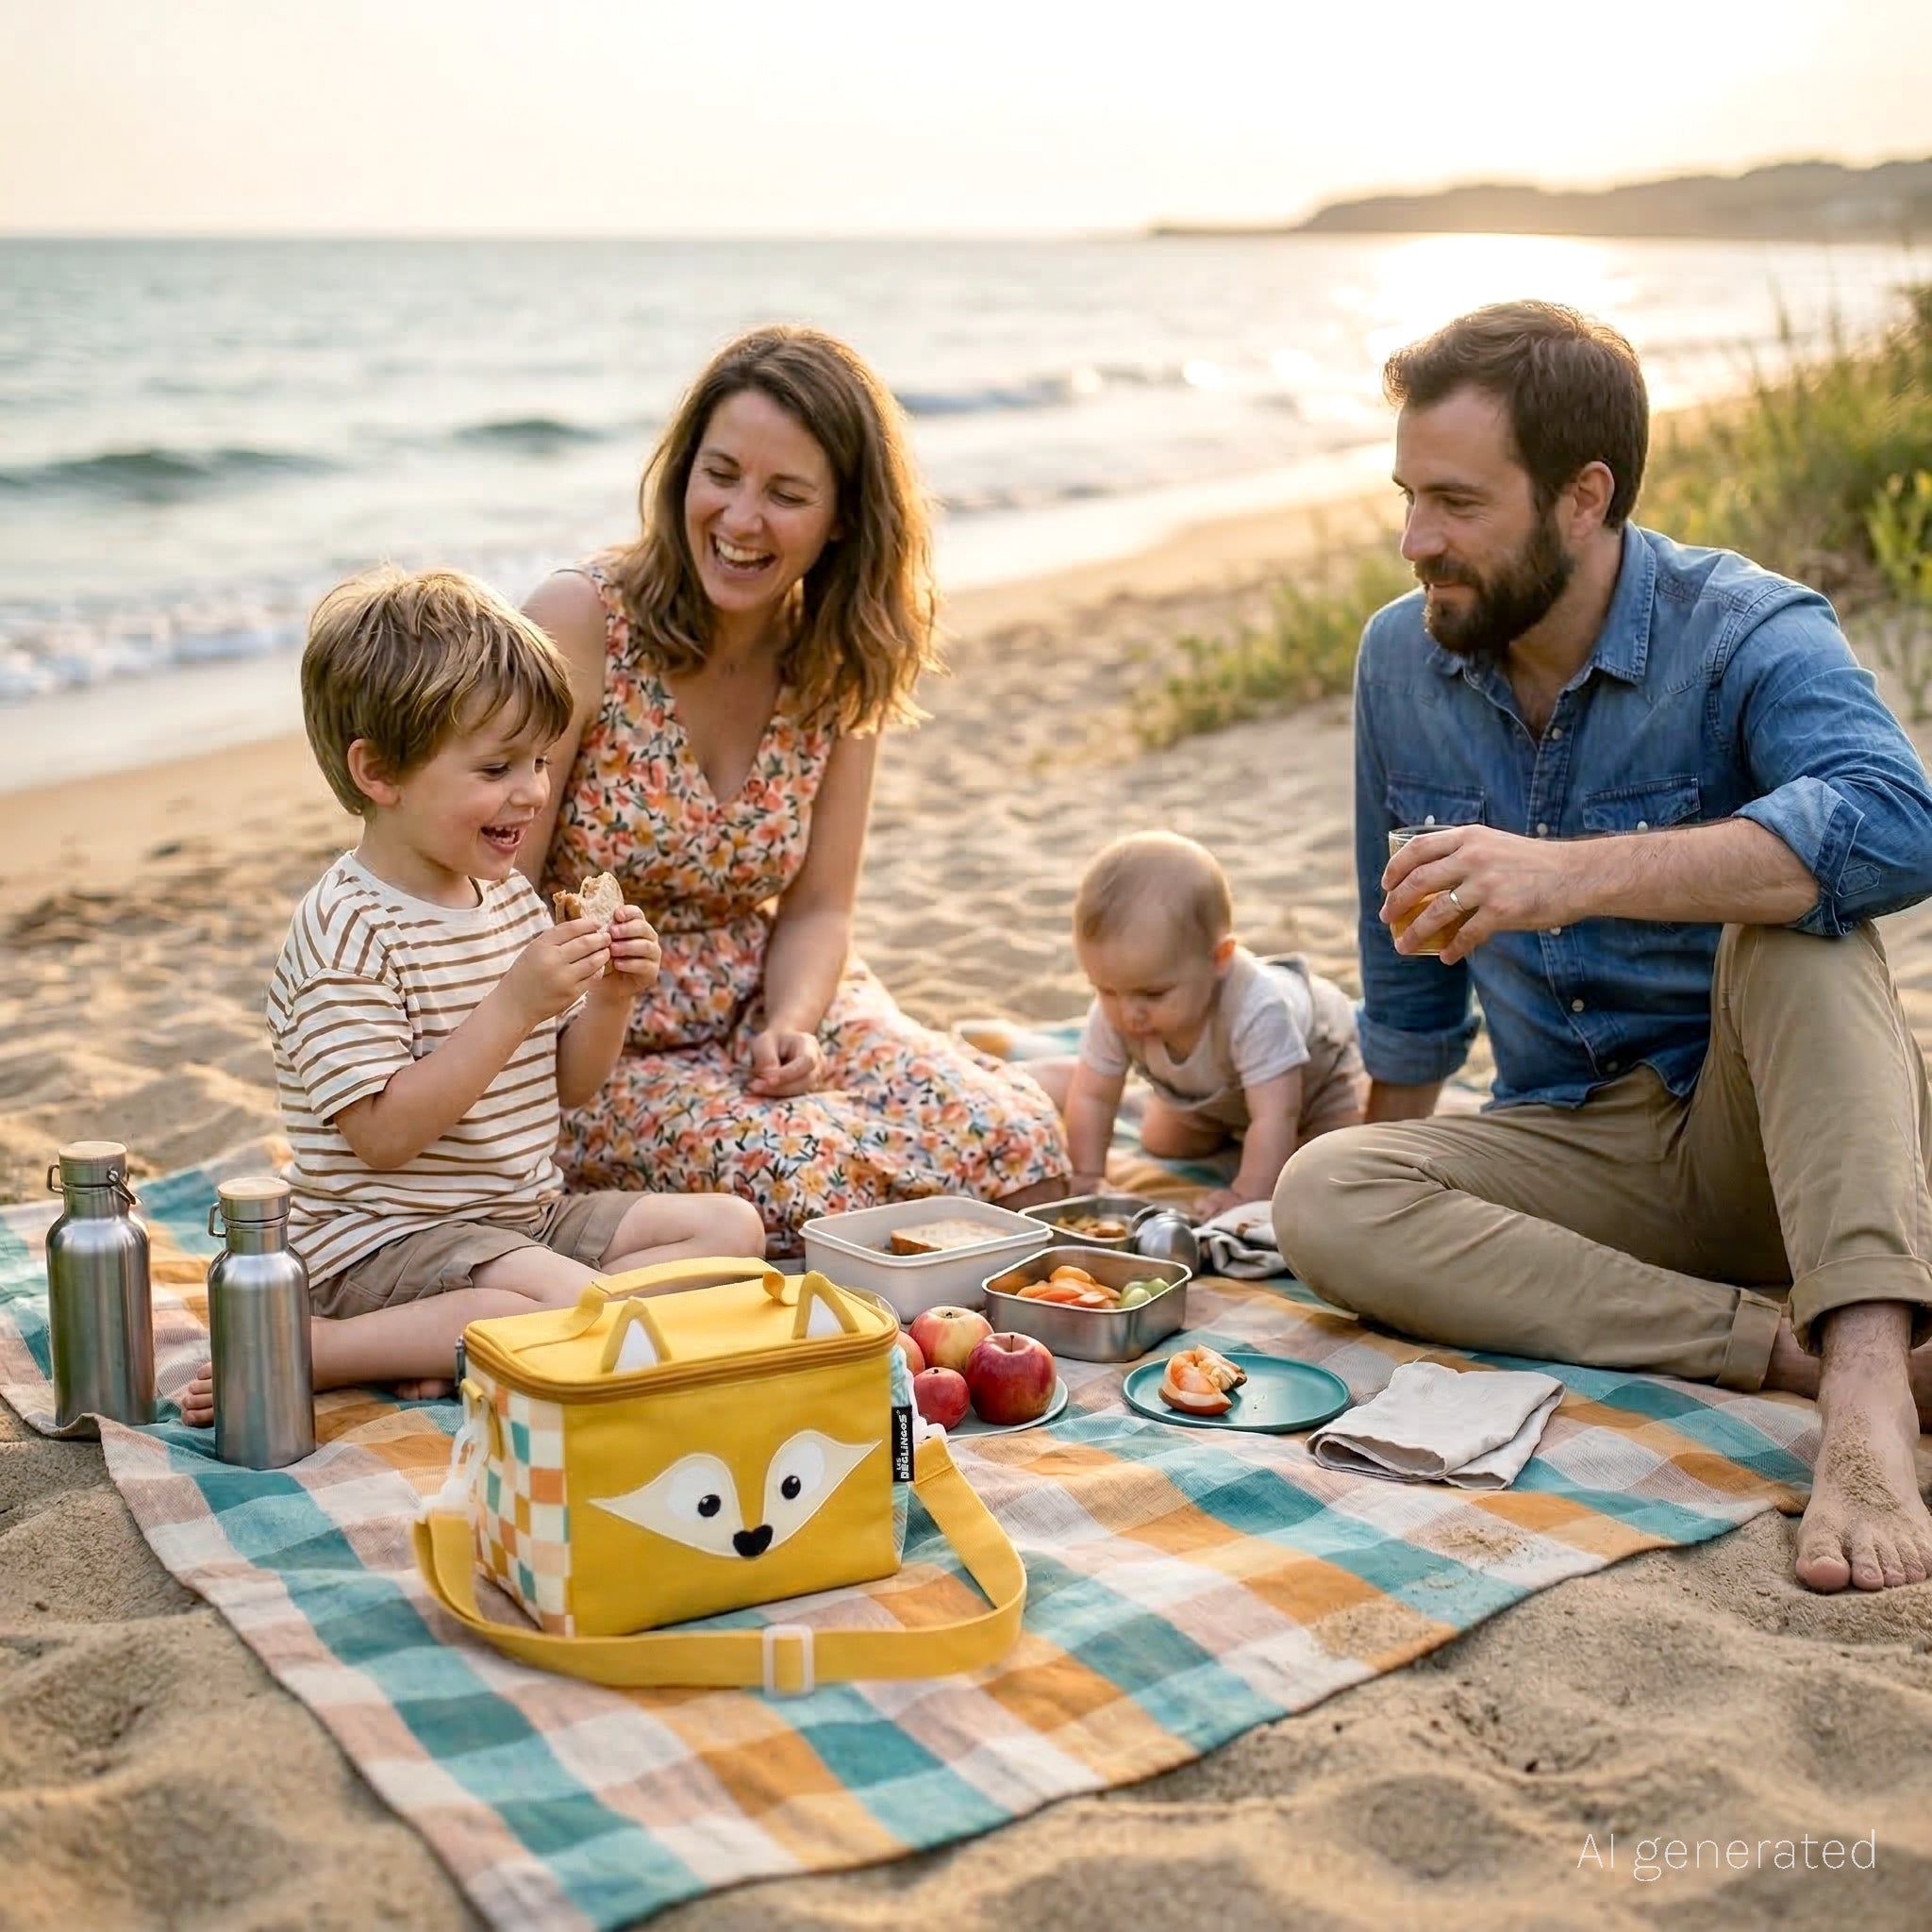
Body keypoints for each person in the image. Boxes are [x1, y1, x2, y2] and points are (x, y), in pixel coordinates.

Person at [1271, 300, 1932, 1595]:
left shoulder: (1741, 630)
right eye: (1407, 496)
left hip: (1778, 1127)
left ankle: (1865, 1399)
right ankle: (1780, 1350)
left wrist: (1566, 878)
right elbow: (1405, 975)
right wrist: (1382, 1151)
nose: (1417, 542)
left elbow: (1901, 820)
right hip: (1580, 1153)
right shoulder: (1399, 661)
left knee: (1799, 917)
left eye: (1457, 503)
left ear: (1585, 495)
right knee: (1324, 1194)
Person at [519, 325, 1069, 1251]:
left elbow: (818, 904)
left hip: (772, 995)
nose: (739, 519)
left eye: (785, 494)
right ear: (682, 470)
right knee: (811, 1175)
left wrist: (792, 1023)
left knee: (1020, 1143)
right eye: (721, 473)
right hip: (599, 1038)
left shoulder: (838, 651)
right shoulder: (579, 621)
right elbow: (495, 894)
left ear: (842, 516)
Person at [180, 567, 764, 1425]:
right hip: (382, 1240)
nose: (532, 791)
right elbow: (382, 1136)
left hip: (519, 1216)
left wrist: (612, 999)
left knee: (733, 1233)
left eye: (538, 760)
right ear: (380, 773)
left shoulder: (506, 899)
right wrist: (513, 1005)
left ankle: (453, 1340)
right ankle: (328, 1349)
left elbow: (565, 1087)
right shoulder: (347, 930)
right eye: (496, 766)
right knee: (576, 1305)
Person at [1033, 832, 1364, 1218]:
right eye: (1105, 990)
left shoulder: (1258, 1009)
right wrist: (1088, 1176)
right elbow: (1093, 1096)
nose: (1128, 1013)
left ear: (1220, 959)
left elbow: (1278, 1114)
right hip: (1221, 1092)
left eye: (1153, 994)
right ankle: (1221, 1124)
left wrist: (1247, 1195)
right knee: (1162, 1142)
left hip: (1314, 1084)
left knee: (1321, 1164)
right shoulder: (1119, 1006)